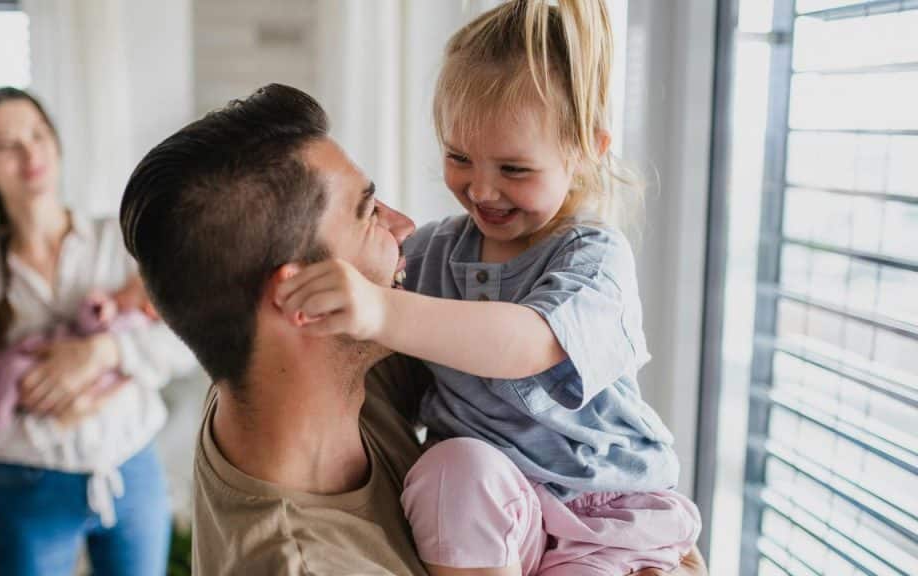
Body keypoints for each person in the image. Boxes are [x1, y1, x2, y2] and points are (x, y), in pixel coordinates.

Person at [119, 83, 707, 575]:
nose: (406, 228)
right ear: (301, 298)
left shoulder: (288, 377)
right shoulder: (310, 560)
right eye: (370, 213)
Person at [275, 1, 702, 575]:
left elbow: (528, 345)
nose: (481, 189)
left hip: (601, 512)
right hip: (496, 511)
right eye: (459, 157)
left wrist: (380, 309)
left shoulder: (595, 260)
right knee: (450, 470)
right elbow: (364, 264)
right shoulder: (435, 252)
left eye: (514, 170)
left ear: (585, 154)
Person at [0, 87, 196, 576]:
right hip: (29, 489)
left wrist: (104, 352)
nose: (31, 154)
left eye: (38, 135)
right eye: (8, 145)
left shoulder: (119, 240)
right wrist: (30, 406)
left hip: (132, 477)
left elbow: (187, 341)